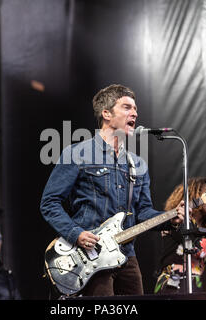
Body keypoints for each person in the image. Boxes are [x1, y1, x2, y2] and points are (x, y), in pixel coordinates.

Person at [40, 84, 183, 297]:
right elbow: (49, 203)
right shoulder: (77, 153)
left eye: (135, 109)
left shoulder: (137, 164)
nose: (134, 113)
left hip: (126, 255)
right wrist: (76, 233)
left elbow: (143, 212)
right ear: (106, 113)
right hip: (89, 254)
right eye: (127, 107)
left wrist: (170, 217)